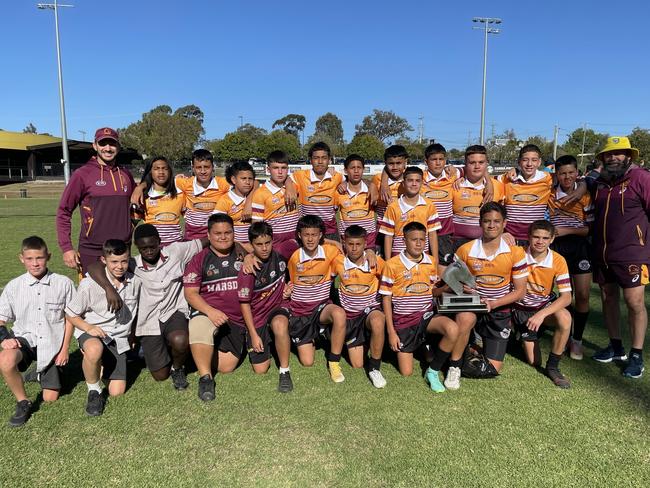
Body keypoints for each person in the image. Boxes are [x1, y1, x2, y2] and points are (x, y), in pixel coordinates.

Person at [87, 224, 208, 390]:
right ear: (137, 247)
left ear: (159, 242)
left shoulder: (176, 251)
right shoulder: (131, 264)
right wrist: (108, 288)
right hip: (148, 320)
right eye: (144, 248)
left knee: (180, 340)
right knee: (160, 375)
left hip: (173, 312)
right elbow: (93, 267)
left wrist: (237, 245)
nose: (149, 251)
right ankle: (150, 352)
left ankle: (178, 368)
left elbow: (209, 240)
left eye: (152, 246)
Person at [590, 137, 650, 378]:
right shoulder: (601, 183)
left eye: (619, 153)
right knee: (607, 298)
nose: (614, 158)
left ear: (629, 156)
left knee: (635, 302)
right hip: (604, 253)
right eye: (609, 154)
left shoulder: (641, 178)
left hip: (633, 253)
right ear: (603, 158)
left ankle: (636, 354)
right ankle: (616, 347)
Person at [0, 236, 75, 427]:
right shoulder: (14, 287)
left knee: (50, 397)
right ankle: (23, 401)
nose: (35, 263)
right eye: (30, 259)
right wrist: (3, 340)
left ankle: (42, 372)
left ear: (48, 257)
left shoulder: (63, 283)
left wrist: (65, 349)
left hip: (51, 344)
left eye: (40, 258)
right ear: (21, 258)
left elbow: (71, 318)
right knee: (5, 360)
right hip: (24, 340)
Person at [379, 222, 459, 392]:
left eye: (422, 240)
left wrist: (445, 288)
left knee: (452, 329)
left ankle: (433, 370)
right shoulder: (392, 265)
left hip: (426, 317)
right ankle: (422, 345)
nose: (418, 243)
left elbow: (432, 292)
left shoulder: (431, 261)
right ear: (404, 241)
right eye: (413, 239)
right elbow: (386, 299)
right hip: (403, 321)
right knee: (406, 372)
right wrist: (391, 332)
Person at [65, 240, 141, 417]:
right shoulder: (89, 284)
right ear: (104, 260)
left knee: (117, 391)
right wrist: (88, 327)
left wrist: (133, 336)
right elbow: (70, 314)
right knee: (94, 348)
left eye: (124, 261)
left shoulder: (135, 282)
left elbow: (136, 314)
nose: (120, 266)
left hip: (119, 339)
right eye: (114, 261)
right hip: (93, 333)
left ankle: (100, 363)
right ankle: (94, 391)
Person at [454, 202, 528, 374]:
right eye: (487, 221)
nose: (492, 225)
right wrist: (461, 287)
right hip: (472, 306)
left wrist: (493, 303)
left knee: (493, 368)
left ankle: (471, 346)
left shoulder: (516, 252)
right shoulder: (465, 250)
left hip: (499, 308)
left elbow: (520, 292)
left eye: (496, 221)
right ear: (480, 223)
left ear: (505, 223)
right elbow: (451, 283)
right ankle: (463, 346)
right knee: (464, 321)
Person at [183, 214, 248, 401]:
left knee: (226, 367)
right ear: (208, 235)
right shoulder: (199, 259)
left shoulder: (244, 254)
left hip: (236, 319)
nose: (223, 237)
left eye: (228, 232)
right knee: (199, 326)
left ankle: (196, 353)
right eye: (218, 233)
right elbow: (191, 294)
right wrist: (211, 311)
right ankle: (205, 378)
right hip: (208, 313)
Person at [57, 127, 136, 274]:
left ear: (118, 147)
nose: (107, 148)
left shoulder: (126, 174)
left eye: (112, 144)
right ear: (95, 146)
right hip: (91, 251)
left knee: (123, 296)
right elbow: (64, 211)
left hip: (122, 250)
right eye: (102, 143)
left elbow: (138, 201)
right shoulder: (82, 174)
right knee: (91, 295)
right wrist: (66, 248)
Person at [286, 215, 347, 382]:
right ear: (299, 235)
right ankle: (312, 335)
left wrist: (369, 252)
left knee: (339, 314)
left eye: (314, 234)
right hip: (300, 311)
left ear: (321, 235)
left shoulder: (331, 252)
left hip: (321, 307)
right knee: (307, 362)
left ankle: (334, 362)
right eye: (306, 235)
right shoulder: (292, 254)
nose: (310, 239)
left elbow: (351, 256)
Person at [237, 222, 297, 392]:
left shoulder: (281, 252)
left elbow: (306, 238)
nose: (264, 248)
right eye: (258, 244)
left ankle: (284, 371)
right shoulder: (248, 270)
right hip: (257, 317)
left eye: (267, 243)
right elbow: (245, 305)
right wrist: (254, 334)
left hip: (279, 307)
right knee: (260, 369)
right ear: (251, 245)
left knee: (279, 324)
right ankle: (268, 339)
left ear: (273, 241)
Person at [513, 220, 573, 388]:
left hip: (541, 311)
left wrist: (541, 314)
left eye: (545, 238)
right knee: (533, 362)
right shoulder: (517, 253)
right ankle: (518, 334)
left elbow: (566, 297)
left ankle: (553, 367)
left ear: (552, 239)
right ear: (528, 237)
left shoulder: (558, 260)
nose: (540, 242)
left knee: (565, 318)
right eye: (536, 237)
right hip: (518, 310)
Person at [548, 155, 594, 360]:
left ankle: (577, 340)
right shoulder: (550, 194)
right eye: (562, 173)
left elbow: (589, 229)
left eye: (570, 172)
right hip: (558, 248)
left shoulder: (585, 195)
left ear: (577, 172)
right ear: (556, 175)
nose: (567, 177)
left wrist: (566, 230)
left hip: (580, 248)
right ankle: (565, 335)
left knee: (582, 295)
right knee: (563, 295)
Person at [331, 225, 387, 388]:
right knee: (357, 363)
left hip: (370, 311)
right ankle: (369, 340)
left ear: (365, 244)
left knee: (377, 321)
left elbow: (391, 280)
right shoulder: (338, 261)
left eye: (358, 244)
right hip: (351, 317)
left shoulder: (375, 261)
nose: (354, 248)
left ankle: (375, 369)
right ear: (344, 243)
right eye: (350, 244)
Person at [499, 144, 554, 247]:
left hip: (536, 240)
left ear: (539, 162)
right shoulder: (507, 179)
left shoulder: (548, 179)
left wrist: (582, 185)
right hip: (510, 239)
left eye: (534, 160)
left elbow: (571, 178)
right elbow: (483, 179)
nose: (529, 164)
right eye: (525, 160)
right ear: (519, 161)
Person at [379, 166, 441, 258]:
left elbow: (432, 235)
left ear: (422, 183)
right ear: (403, 183)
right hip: (398, 256)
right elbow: (388, 237)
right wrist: (388, 262)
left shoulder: (429, 205)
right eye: (410, 180)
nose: (414, 184)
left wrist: (435, 260)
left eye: (417, 181)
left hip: (423, 255)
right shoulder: (393, 207)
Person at [451, 145, 504, 251]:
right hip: (457, 243)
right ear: (465, 164)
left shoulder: (497, 185)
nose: (477, 166)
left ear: (486, 164)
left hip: (488, 243)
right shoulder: (454, 185)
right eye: (472, 163)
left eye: (481, 162)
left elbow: (504, 214)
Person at [288, 142, 343, 240]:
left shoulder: (337, 177)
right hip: (308, 231)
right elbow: (286, 179)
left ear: (329, 160)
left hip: (330, 230)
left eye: (324, 158)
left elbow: (355, 181)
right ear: (311, 160)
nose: (320, 161)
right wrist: (289, 186)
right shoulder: (300, 176)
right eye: (316, 158)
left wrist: (345, 183)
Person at [420, 143, 458, 270]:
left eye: (441, 159)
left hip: (445, 232)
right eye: (433, 159)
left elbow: (471, 169)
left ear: (445, 161)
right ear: (426, 162)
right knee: (424, 265)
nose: (438, 163)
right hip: (424, 231)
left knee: (443, 268)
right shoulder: (419, 178)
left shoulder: (451, 176)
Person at [133, 156, 185, 246]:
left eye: (165, 168)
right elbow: (133, 222)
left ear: (169, 171)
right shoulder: (143, 196)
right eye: (156, 169)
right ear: (150, 172)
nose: (161, 172)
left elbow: (190, 218)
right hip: (152, 249)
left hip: (176, 248)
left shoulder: (180, 193)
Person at [251, 150, 299, 246]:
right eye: (276, 168)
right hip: (275, 243)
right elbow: (257, 225)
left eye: (283, 168)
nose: (280, 172)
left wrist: (289, 184)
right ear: (268, 170)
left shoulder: (295, 186)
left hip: (297, 240)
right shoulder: (260, 194)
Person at [335, 155, 377, 249]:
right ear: (346, 170)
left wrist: (373, 185)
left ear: (363, 169)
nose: (356, 171)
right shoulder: (339, 192)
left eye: (359, 167)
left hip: (368, 241)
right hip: (348, 242)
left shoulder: (372, 191)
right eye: (352, 168)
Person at [214, 161, 256, 251]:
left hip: (255, 246)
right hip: (233, 248)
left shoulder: (257, 196)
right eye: (243, 178)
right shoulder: (224, 201)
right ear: (233, 180)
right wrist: (241, 246)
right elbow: (216, 228)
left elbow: (257, 183)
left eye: (250, 179)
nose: (248, 182)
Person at [374, 145, 407, 224]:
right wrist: (384, 183)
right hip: (382, 227)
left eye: (398, 163)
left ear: (405, 162)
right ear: (385, 163)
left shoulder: (413, 178)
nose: (395, 167)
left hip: (404, 227)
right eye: (391, 163)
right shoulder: (377, 179)